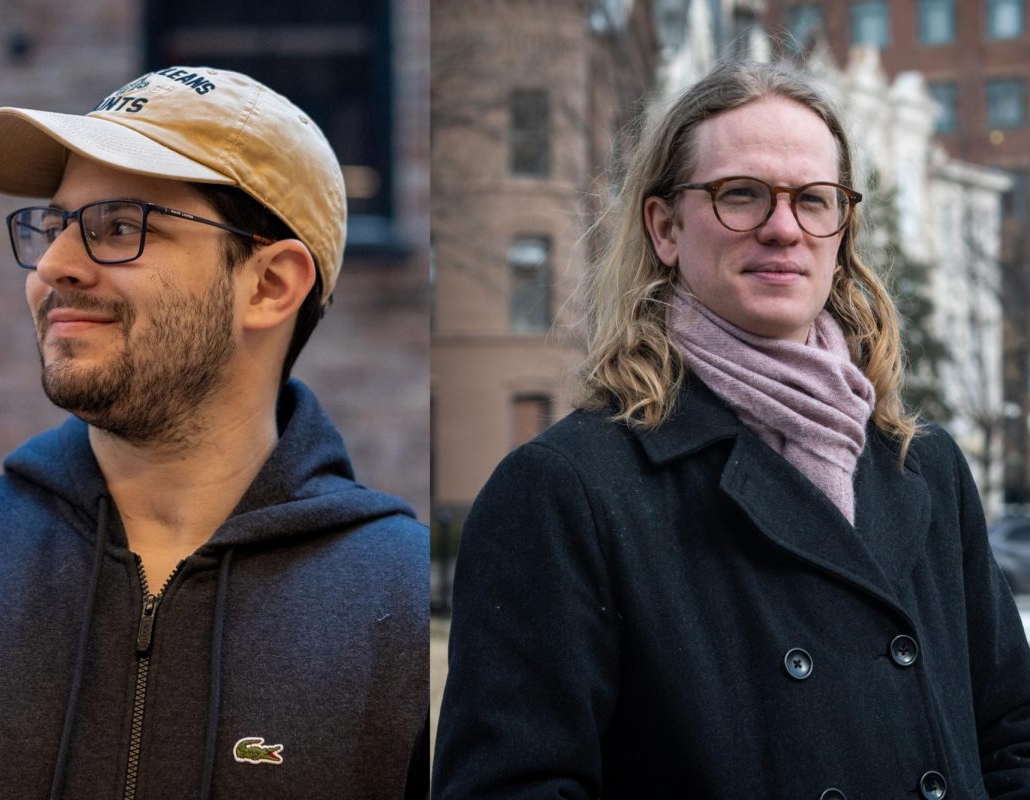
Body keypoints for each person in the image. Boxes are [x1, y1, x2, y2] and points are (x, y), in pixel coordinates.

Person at [433, 61, 1030, 798]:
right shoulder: (567, 489)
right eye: (740, 195)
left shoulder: (925, 464)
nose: (783, 229)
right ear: (665, 227)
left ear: (842, 230)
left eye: (814, 200)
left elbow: (1011, 734)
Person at [0, 66, 428, 799]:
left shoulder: (400, 605)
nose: (53, 267)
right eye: (53, 225)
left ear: (270, 285)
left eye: (119, 227)